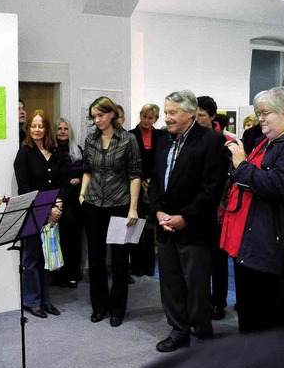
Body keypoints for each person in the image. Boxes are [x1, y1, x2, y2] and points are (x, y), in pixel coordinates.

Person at [99, 226, 284, 368]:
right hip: (174, 225)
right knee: (175, 282)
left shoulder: (250, 362)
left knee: (197, 284)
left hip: (200, 228)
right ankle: (180, 329)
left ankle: (200, 330)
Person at [221, 87, 284, 333]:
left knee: (266, 318)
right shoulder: (275, 141)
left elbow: (276, 185)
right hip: (259, 242)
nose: (260, 119)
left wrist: (242, 165)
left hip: (276, 248)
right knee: (251, 311)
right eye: (258, 113)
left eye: (265, 113)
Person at [148, 90, 228, 352]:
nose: (167, 118)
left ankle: (202, 334)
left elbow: (212, 188)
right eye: (166, 111)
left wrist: (186, 217)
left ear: (190, 112)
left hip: (195, 228)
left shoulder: (211, 141)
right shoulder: (162, 140)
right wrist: (157, 211)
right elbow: (156, 180)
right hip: (166, 225)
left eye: (172, 112)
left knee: (196, 284)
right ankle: (179, 329)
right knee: (170, 282)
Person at [79, 96, 141, 327]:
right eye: (94, 116)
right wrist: (82, 195)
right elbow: (87, 170)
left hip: (119, 204)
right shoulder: (90, 139)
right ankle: (99, 307)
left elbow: (135, 175)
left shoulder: (128, 139)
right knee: (95, 259)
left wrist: (133, 208)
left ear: (112, 114)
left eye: (101, 115)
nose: (97, 120)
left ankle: (117, 309)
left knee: (118, 260)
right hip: (93, 204)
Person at [14, 109, 67, 318]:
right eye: (33, 125)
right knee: (32, 257)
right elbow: (24, 189)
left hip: (54, 213)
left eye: (40, 125)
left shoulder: (55, 152)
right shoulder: (24, 153)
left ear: (46, 128)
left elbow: (64, 182)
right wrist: (46, 210)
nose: (36, 129)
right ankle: (32, 300)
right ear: (29, 128)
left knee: (48, 256)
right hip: (32, 213)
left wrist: (58, 206)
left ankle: (46, 300)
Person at [196, 95, 230, 321]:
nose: (197, 119)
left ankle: (219, 302)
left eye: (201, 116)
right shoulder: (191, 139)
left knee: (218, 259)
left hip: (218, 210)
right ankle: (202, 300)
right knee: (199, 259)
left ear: (212, 117)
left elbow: (227, 180)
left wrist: (221, 207)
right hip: (197, 209)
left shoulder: (225, 141)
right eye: (195, 115)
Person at [128, 103, 163, 278]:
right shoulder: (131, 135)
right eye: (144, 116)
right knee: (136, 225)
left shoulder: (160, 135)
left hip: (154, 185)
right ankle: (136, 265)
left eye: (150, 118)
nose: (146, 120)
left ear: (155, 119)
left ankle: (149, 265)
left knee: (150, 228)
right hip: (136, 185)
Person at [51, 117, 85, 289]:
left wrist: (79, 180)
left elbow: (86, 171)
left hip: (76, 200)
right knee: (60, 238)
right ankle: (60, 275)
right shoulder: (51, 151)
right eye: (59, 129)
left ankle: (74, 273)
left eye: (66, 128)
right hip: (59, 199)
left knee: (75, 239)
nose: (63, 131)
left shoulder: (77, 150)